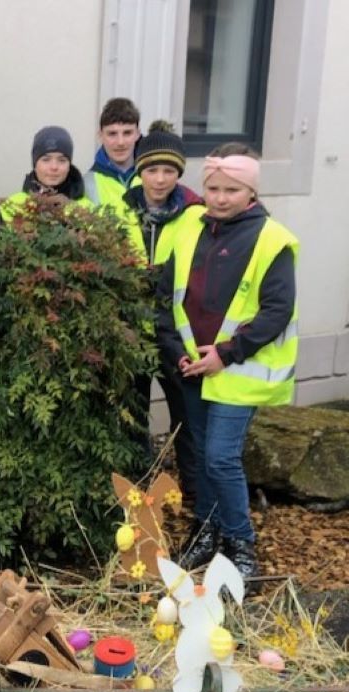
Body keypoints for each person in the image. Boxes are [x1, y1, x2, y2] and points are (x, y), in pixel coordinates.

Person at [156, 143, 297, 581]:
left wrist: (226, 353)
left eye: (231, 190)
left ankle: (240, 545)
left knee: (219, 458)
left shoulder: (272, 239)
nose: (219, 197)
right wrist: (177, 352)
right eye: (212, 188)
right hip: (193, 369)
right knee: (198, 457)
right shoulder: (186, 230)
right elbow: (165, 298)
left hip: (237, 373)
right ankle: (207, 530)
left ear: (250, 192)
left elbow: (277, 310)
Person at [122, 121, 205, 502]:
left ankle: (192, 492)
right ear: (140, 172)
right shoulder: (120, 211)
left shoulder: (195, 214)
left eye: (168, 170)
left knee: (185, 416)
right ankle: (138, 492)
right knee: (132, 415)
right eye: (152, 170)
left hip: (176, 335)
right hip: (131, 333)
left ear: (179, 173)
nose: (159, 179)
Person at [0, 125, 88, 226]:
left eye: (62, 160)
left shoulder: (86, 209)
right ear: (35, 164)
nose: (54, 167)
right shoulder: (13, 206)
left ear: (69, 165)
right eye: (46, 160)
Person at [84, 97, 141, 209]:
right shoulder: (86, 184)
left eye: (127, 133)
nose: (120, 142)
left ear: (137, 134)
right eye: (112, 134)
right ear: (100, 136)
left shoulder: (154, 176)